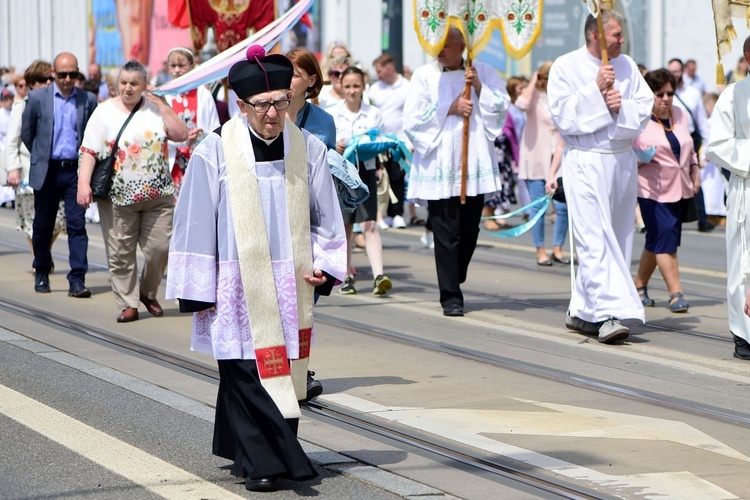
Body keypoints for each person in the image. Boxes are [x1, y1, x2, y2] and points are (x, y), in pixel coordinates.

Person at [165, 45, 346, 491]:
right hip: (234, 278)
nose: (272, 113)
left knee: (280, 368)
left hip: (289, 277)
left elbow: (326, 215)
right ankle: (273, 460)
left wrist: (327, 265)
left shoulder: (310, 149)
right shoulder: (216, 150)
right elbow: (196, 219)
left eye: (281, 101)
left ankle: (247, 453)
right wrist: (196, 285)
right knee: (243, 370)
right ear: (241, 105)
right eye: (262, 105)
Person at [547, 11, 653, 343]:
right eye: (616, 35)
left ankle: (582, 311)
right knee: (594, 240)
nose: (622, 40)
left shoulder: (628, 66)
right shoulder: (565, 66)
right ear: (595, 35)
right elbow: (563, 117)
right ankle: (607, 316)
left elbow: (644, 105)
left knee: (618, 240)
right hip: (586, 160)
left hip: (621, 161)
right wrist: (595, 91)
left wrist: (621, 107)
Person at [403, 27, 509, 317]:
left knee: (469, 231)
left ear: (462, 47)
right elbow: (411, 119)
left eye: (446, 45)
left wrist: (478, 89)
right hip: (439, 164)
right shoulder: (425, 76)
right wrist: (448, 108)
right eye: (436, 44)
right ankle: (450, 296)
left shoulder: (482, 72)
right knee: (445, 232)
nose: (440, 50)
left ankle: (455, 271)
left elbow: (501, 108)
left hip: (471, 163)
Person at [77, 60, 187, 323]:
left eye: (134, 83)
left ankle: (148, 293)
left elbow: (181, 134)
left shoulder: (156, 110)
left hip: (158, 196)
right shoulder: (103, 112)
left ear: (144, 85)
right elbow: (89, 151)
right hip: (117, 197)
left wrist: (161, 105)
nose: (128, 88)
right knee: (120, 252)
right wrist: (83, 184)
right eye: (123, 83)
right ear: (116, 85)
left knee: (160, 248)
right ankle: (128, 302)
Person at [22, 52, 98, 297]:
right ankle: (42, 270)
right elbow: (28, 133)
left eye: (73, 74)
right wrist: (40, 155)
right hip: (48, 170)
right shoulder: (36, 98)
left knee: (77, 225)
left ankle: (77, 278)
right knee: (43, 224)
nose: (67, 79)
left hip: (76, 171)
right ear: (53, 74)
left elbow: (92, 135)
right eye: (63, 74)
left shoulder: (88, 99)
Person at [632, 69, 700, 313]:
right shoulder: (640, 120)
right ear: (649, 94)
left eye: (670, 93)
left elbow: (689, 148)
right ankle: (675, 293)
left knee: (656, 239)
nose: (665, 98)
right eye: (659, 93)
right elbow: (630, 154)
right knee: (666, 241)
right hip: (652, 191)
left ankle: (639, 286)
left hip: (679, 188)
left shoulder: (680, 114)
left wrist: (694, 167)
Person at [706, 35, 750, 361]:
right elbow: (717, 144)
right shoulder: (734, 95)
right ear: (747, 57)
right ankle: (744, 332)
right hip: (746, 187)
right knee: (742, 264)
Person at [333, 66, 392, 296]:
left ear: (363, 86)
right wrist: (338, 144)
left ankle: (379, 275)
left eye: (356, 86)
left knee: (370, 223)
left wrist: (368, 143)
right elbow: (329, 141)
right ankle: (346, 276)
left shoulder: (373, 113)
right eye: (347, 86)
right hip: (343, 173)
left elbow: (379, 138)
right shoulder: (335, 112)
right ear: (341, 87)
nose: (352, 91)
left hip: (365, 171)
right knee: (346, 226)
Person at [5, 61, 66, 268]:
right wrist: (12, 168)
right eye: (42, 80)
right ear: (31, 83)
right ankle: (40, 259)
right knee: (34, 222)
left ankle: (41, 255)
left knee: (59, 221)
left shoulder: (60, 103)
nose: (47, 83)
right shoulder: (21, 106)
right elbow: (12, 141)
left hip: (56, 173)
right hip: (28, 172)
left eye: (50, 79)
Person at [515, 61, 570, 266]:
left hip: (558, 157)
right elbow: (521, 104)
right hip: (536, 158)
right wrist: (533, 79)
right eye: (547, 78)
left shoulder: (559, 97)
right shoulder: (534, 97)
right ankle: (540, 250)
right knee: (538, 207)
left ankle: (558, 248)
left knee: (563, 206)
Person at [164, 47, 220, 195]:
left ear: (191, 65)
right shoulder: (164, 96)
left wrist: (203, 133)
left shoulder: (203, 94)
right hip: (174, 160)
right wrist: (180, 140)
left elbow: (215, 127)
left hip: (199, 156)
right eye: (173, 66)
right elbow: (158, 132)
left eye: (181, 65)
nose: (177, 70)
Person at [667, 58, 713, 232]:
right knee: (673, 179)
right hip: (670, 138)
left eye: (677, 71)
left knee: (694, 177)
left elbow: (702, 122)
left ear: (683, 71)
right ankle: (673, 218)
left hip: (690, 139)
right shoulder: (664, 93)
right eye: (671, 71)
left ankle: (702, 218)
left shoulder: (693, 93)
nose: (674, 74)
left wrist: (705, 150)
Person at [369, 53, 411, 229]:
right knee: (379, 179)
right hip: (378, 140)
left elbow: (410, 116)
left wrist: (410, 143)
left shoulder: (407, 87)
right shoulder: (375, 89)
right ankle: (381, 213)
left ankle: (397, 213)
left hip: (399, 141)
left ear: (389, 68)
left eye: (379, 71)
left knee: (397, 176)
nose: (377, 75)